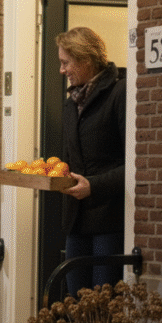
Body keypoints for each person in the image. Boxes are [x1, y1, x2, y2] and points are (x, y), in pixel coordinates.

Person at [56, 26, 126, 295]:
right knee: (76, 302)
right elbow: (71, 160)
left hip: (110, 223)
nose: (62, 70)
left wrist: (93, 186)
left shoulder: (120, 94)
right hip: (76, 222)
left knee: (103, 305)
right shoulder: (70, 104)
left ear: (85, 60)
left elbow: (136, 165)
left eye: (66, 63)